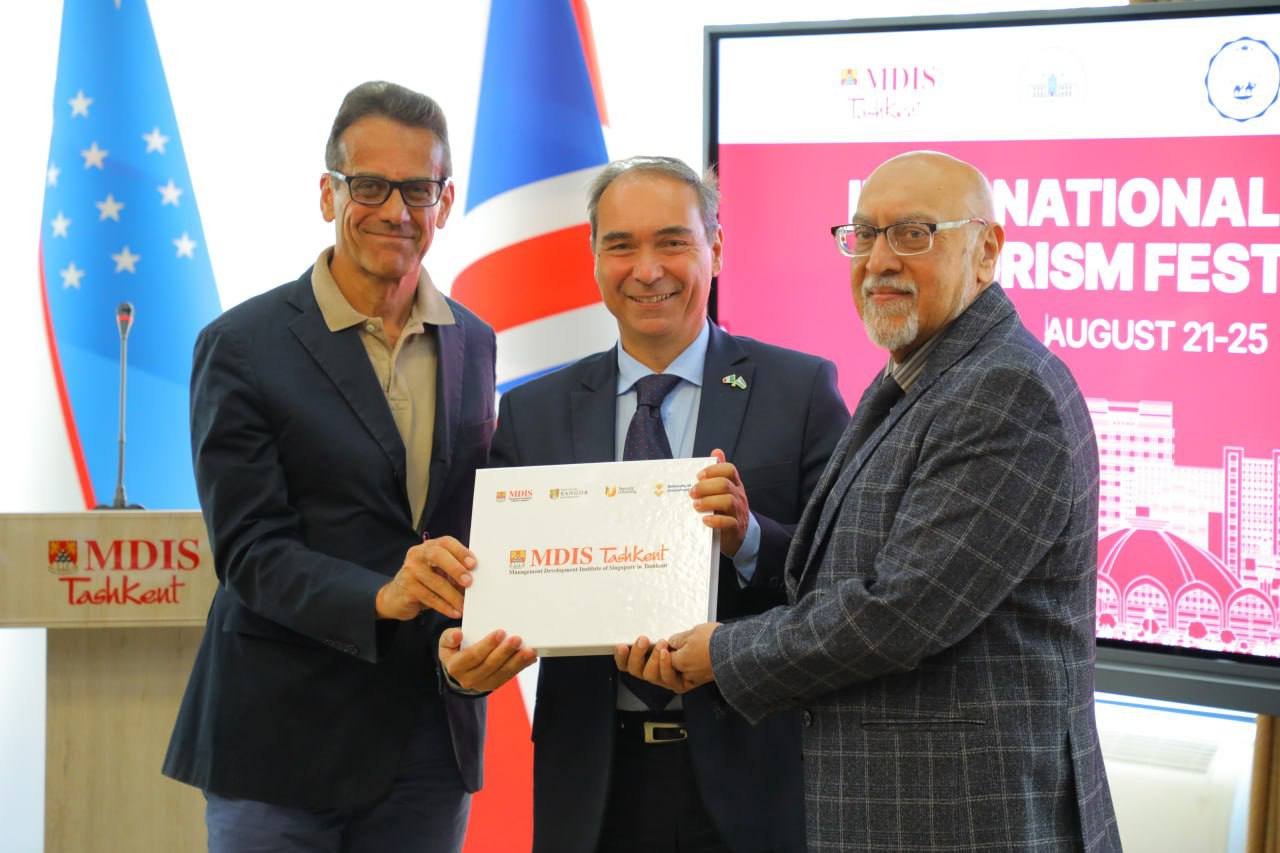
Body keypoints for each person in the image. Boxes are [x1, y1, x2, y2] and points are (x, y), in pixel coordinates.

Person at [653, 151, 1123, 851]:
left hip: (964, 819)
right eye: (864, 234)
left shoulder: (1003, 390)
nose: (878, 261)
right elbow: (847, 571)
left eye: (913, 234)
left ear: (986, 250)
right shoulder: (921, 373)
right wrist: (744, 536)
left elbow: (903, 610)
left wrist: (724, 653)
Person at [448, 155, 848, 853]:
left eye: (672, 241)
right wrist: (466, 649)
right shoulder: (534, 412)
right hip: (593, 785)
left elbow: (842, 572)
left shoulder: (801, 389)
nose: (647, 269)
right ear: (594, 258)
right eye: (621, 245)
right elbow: (496, 583)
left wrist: (748, 536)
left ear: (716, 248)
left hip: (755, 776)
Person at [163, 81, 512, 853]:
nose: (396, 210)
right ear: (329, 194)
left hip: (428, 740)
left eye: (417, 188)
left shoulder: (475, 341)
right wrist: (382, 596)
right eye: (370, 186)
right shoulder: (241, 345)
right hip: (280, 739)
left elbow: (468, 522)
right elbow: (250, 549)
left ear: (445, 200)